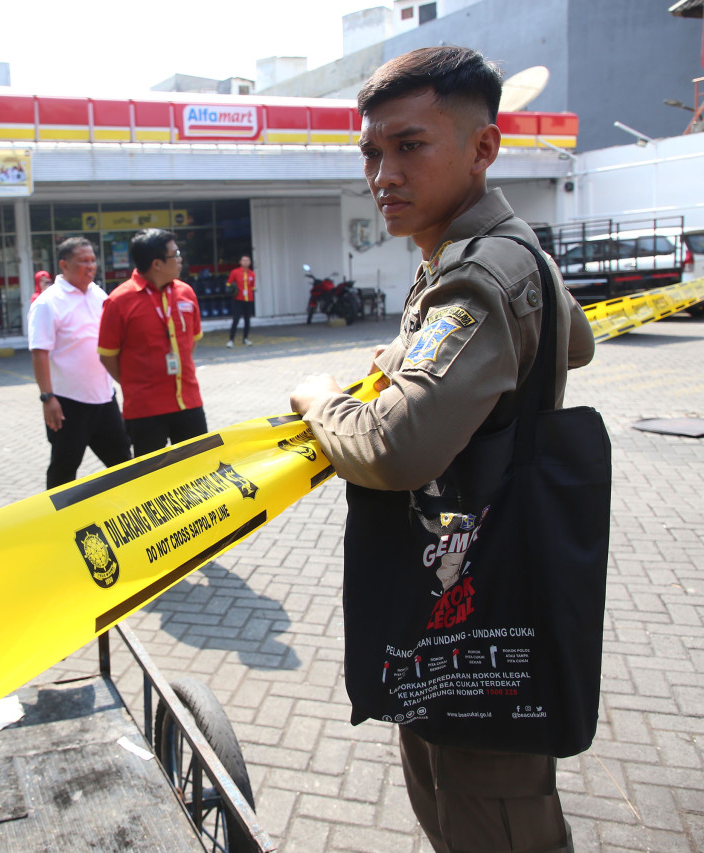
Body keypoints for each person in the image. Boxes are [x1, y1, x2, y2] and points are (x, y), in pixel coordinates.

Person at [288, 47, 595, 853]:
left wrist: (323, 402)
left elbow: (397, 448)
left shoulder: (474, 274)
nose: (382, 173)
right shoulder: (502, 246)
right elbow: (579, 337)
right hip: (480, 581)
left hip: (478, 595)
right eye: (371, 151)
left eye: (410, 146)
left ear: (482, 148)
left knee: (487, 813)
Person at [29, 238, 131, 488]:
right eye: (83, 261)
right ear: (64, 265)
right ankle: (55, 524)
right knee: (63, 471)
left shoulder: (99, 295)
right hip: (67, 404)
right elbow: (39, 352)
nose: (90, 266)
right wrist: (47, 397)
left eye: (93, 260)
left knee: (124, 465)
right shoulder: (48, 302)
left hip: (104, 398)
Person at [98, 228, 206, 457]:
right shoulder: (119, 301)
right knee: (151, 481)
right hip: (145, 410)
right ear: (157, 264)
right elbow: (107, 355)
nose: (180, 259)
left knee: (199, 476)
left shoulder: (186, 293)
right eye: (174, 254)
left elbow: (191, 342)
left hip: (188, 402)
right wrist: (134, 382)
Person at [226, 254, 255, 347]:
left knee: (247, 320)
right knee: (236, 320)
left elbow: (253, 287)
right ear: (240, 262)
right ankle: (231, 340)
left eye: (248, 260)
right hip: (238, 299)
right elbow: (228, 284)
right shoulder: (235, 272)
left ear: (250, 262)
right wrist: (233, 290)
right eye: (244, 260)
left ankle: (245, 338)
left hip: (249, 299)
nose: (246, 262)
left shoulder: (252, 274)